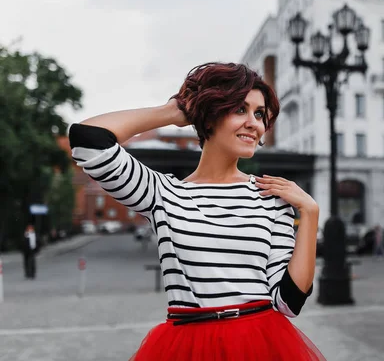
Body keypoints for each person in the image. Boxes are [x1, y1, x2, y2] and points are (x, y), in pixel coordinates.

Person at [68, 63, 324, 360]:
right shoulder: (162, 193)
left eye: (259, 113)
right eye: (239, 109)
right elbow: (87, 139)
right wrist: (174, 112)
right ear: (210, 115)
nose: (254, 123)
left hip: (260, 345)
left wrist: (310, 213)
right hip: (186, 346)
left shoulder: (272, 197)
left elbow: (288, 303)